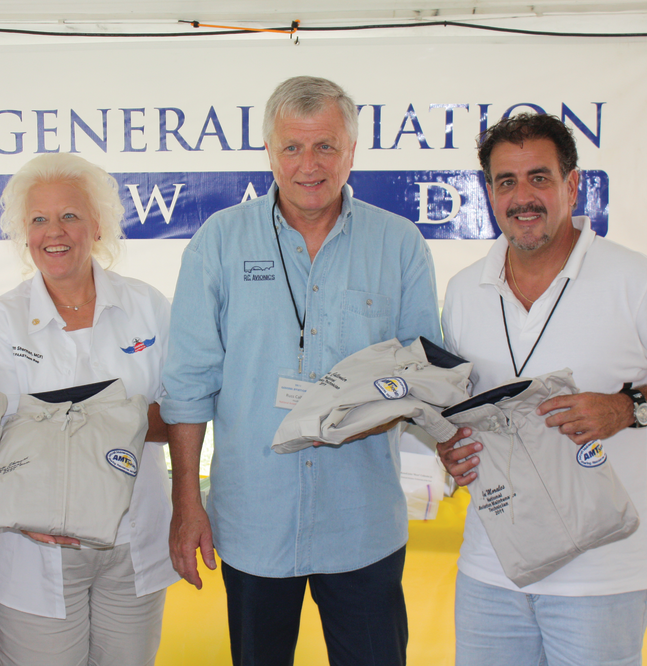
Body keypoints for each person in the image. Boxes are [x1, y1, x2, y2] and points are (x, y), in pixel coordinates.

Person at [161, 75, 441, 666]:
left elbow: (424, 372)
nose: (308, 165)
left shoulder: (400, 244)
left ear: (352, 151)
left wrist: (366, 415)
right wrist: (187, 504)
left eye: (325, 146)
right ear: (269, 151)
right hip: (253, 522)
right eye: (292, 147)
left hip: (362, 524)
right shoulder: (217, 244)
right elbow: (187, 387)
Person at [437, 112, 647, 666]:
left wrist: (629, 407)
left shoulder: (635, 280)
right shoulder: (465, 290)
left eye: (539, 178)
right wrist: (450, 444)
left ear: (572, 183)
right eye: (506, 182)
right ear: (488, 192)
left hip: (602, 578)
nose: (523, 197)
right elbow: (459, 404)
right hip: (490, 571)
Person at [0, 153, 179, 666]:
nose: (53, 232)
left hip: (132, 541)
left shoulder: (147, 307)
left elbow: (179, 415)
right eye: (38, 219)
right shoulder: (0, 322)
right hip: (34, 542)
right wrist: (126, 416)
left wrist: (83, 423)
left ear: (98, 225)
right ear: (23, 232)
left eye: (70, 215)